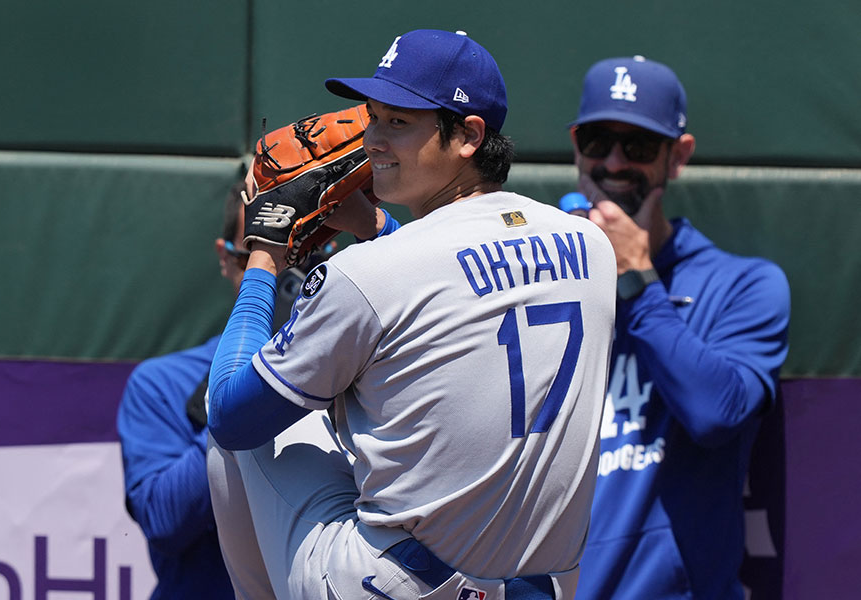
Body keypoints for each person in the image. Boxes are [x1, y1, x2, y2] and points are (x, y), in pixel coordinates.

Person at [206, 29, 617, 600]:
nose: (371, 139)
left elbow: (231, 415)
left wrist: (263, 259)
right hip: (542, 588)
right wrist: (374, 226)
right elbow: (456, 276)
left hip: (401, 586)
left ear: (469, 135)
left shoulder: (365, 275)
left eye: (398, 122)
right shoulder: (592, 246)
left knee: (241, 426)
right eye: (372, 117)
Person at [563, 56, 791, 599]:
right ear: (576, 146)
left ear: (678, 156)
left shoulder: (744, 285)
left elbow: (716, 413)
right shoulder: (542, 276)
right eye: (598, 141)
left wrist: (638, 279)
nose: (614, 162)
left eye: (639, 146)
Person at [117, 180, 312, 599]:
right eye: (258, 255)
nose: (284, 275)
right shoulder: (160, 383)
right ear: (227, 259)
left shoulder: (348, 373)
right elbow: (164, 521)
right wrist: (237, 391)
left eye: (300, 258)